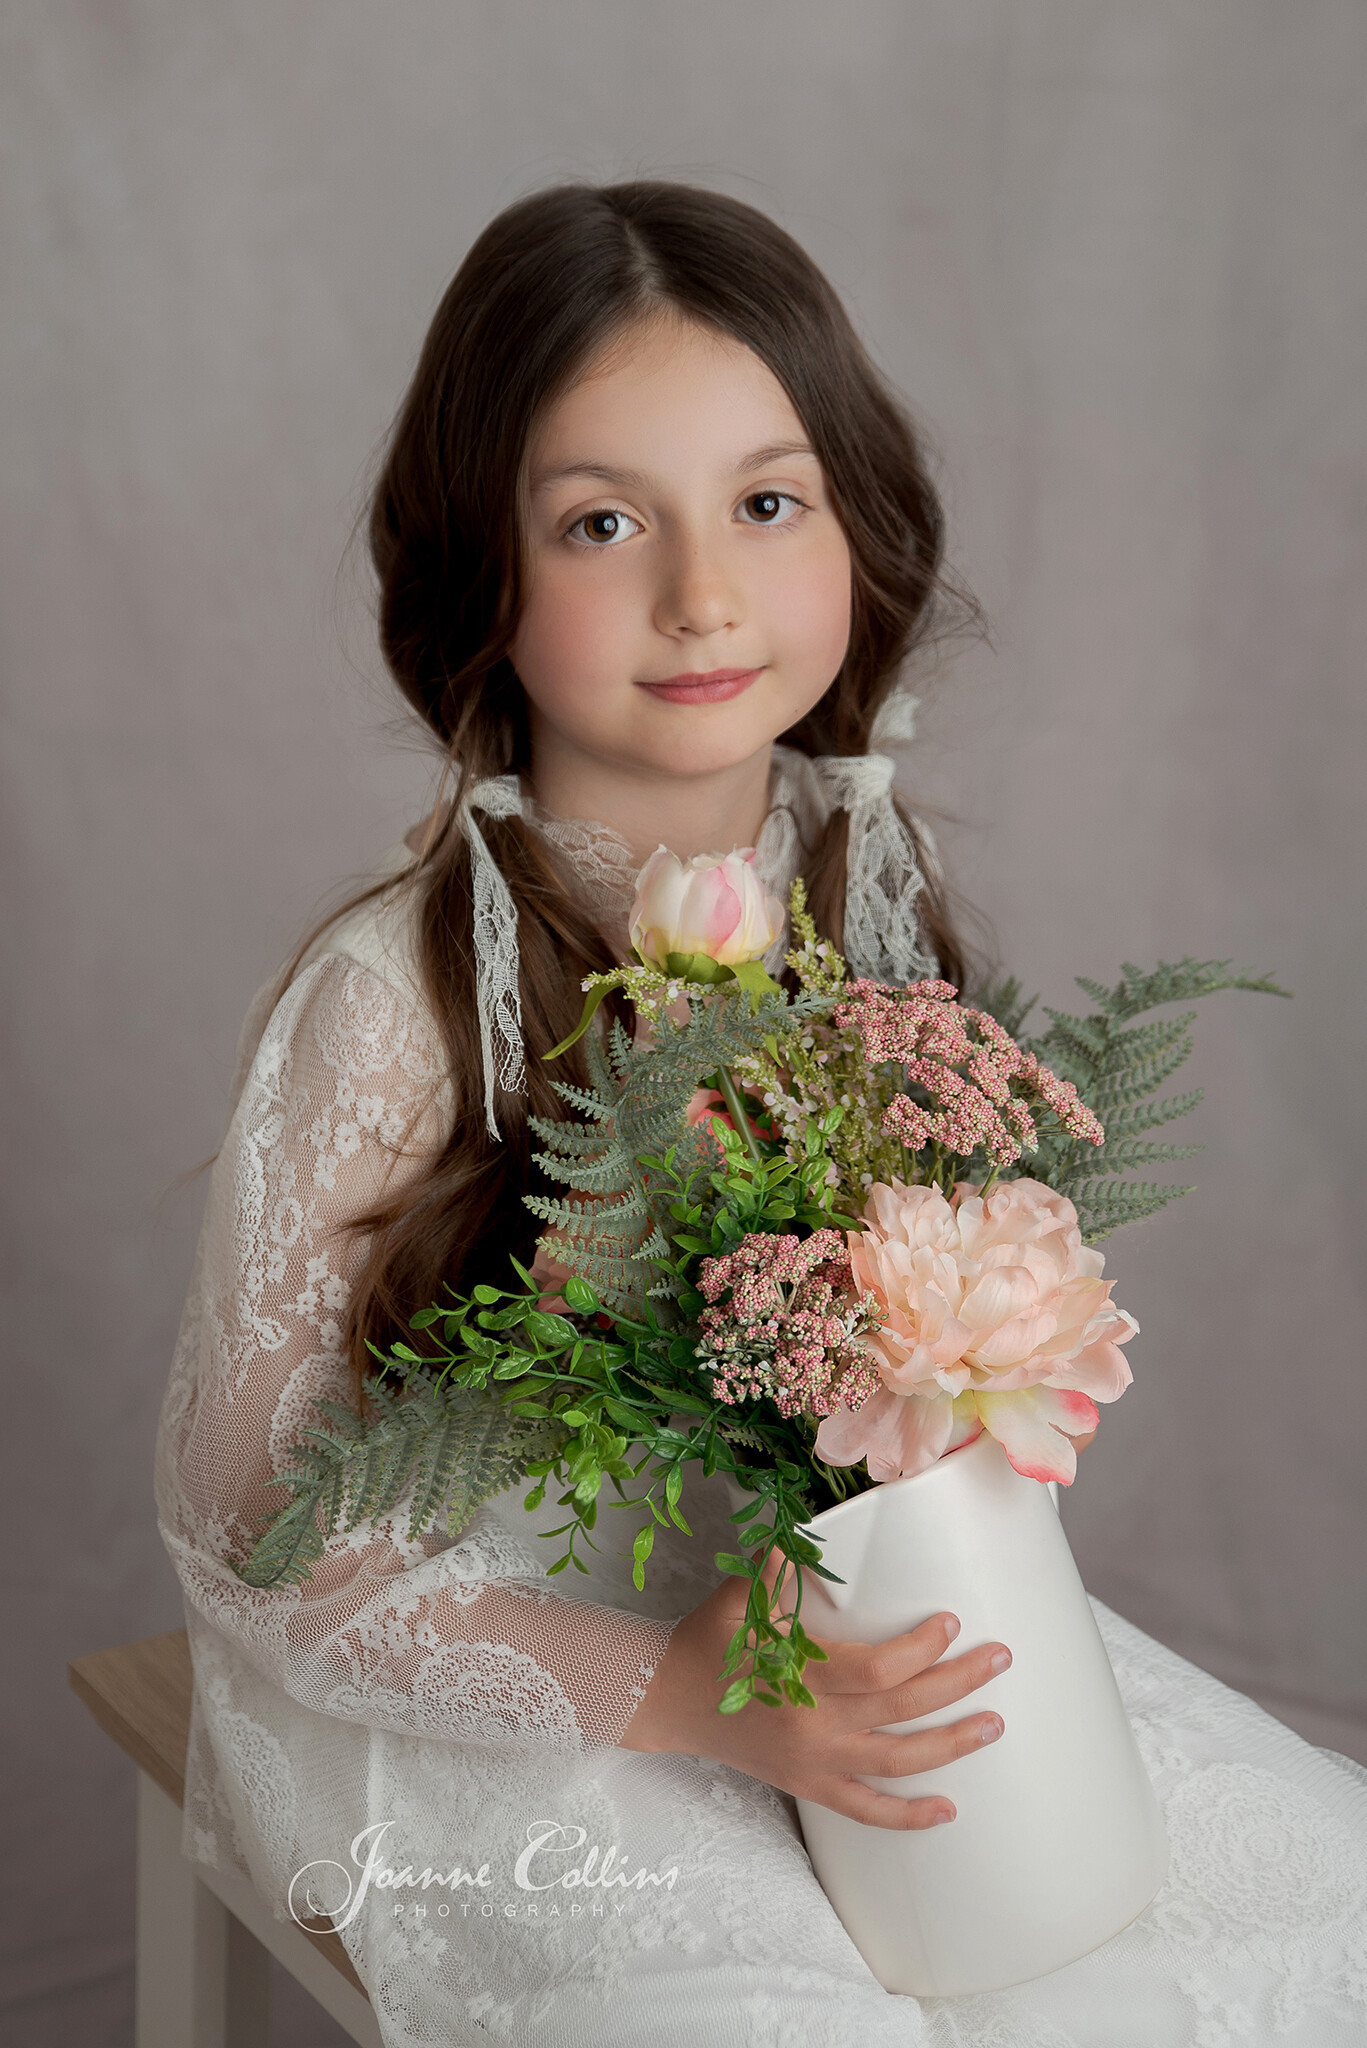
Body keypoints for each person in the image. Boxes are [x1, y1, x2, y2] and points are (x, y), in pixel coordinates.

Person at [154, 182, 1367, 2048]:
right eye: (602, 522)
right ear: (480, 572)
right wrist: (685, 1696)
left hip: (797, 1605)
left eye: (766, 501)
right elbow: (250, 1528)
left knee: (1300, 1908)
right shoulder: (395, 1000)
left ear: (857, 528)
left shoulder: (860, 885)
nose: (701, 593)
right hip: (484, 1672)